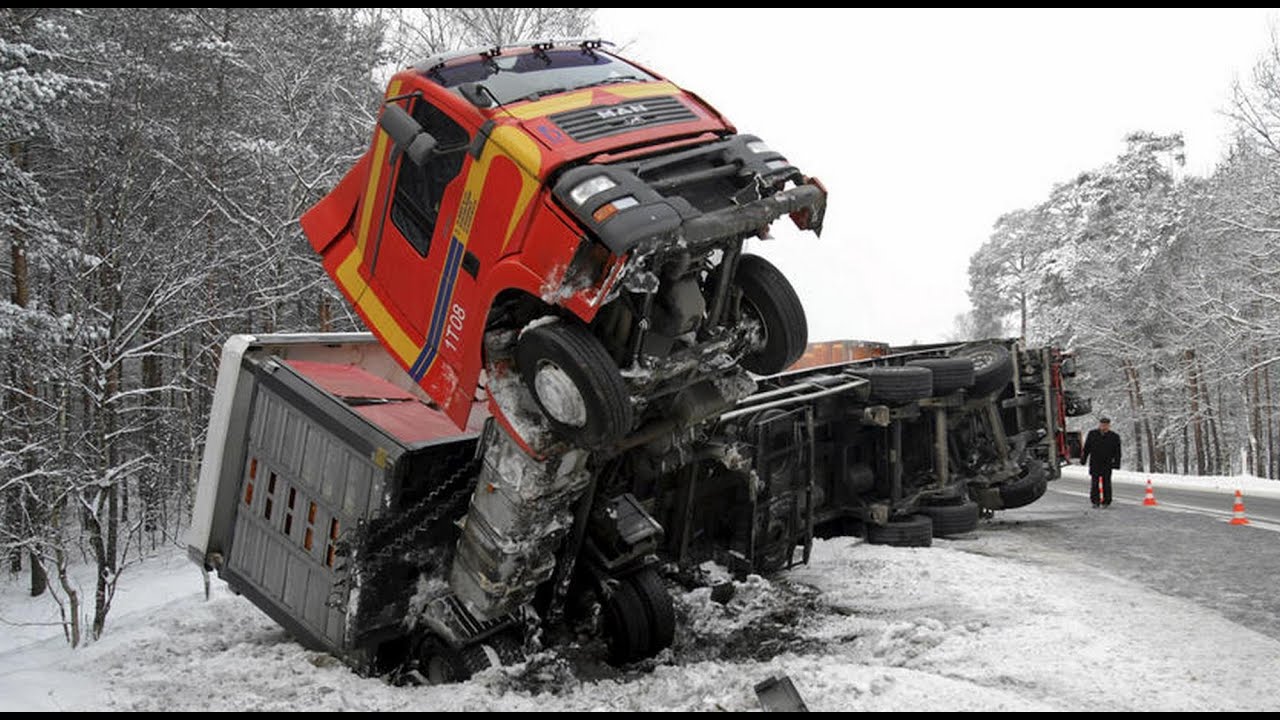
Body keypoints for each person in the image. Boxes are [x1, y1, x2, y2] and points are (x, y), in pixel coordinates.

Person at [1080, 417, 1121, 508]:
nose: (1104, 427)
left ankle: (1106, 501)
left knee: (1106, 483)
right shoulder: (1092, 434)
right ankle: (1095, 501)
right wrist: (1083, 459)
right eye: (1102, 425)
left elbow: (1117, 451)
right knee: (1094, 483)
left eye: (1106, 425)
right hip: (1095, 462)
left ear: (1109, 426)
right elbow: (1087, 448)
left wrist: (1117, 463)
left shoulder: (1114, 437)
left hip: (1107, 463)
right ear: (1099, 425)